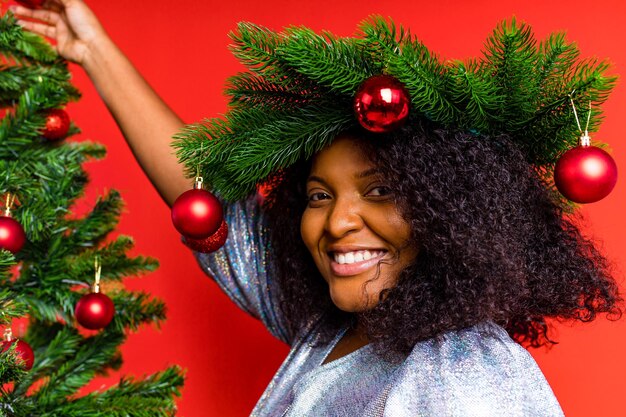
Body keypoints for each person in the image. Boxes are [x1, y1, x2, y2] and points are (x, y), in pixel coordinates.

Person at [12, 1, 622, 416]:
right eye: (319, 196)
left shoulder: (471, 370)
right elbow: (206, 203)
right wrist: (92, 48)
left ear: (454, 213)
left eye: (380, 190)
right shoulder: (327, 331)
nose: (336, 223)